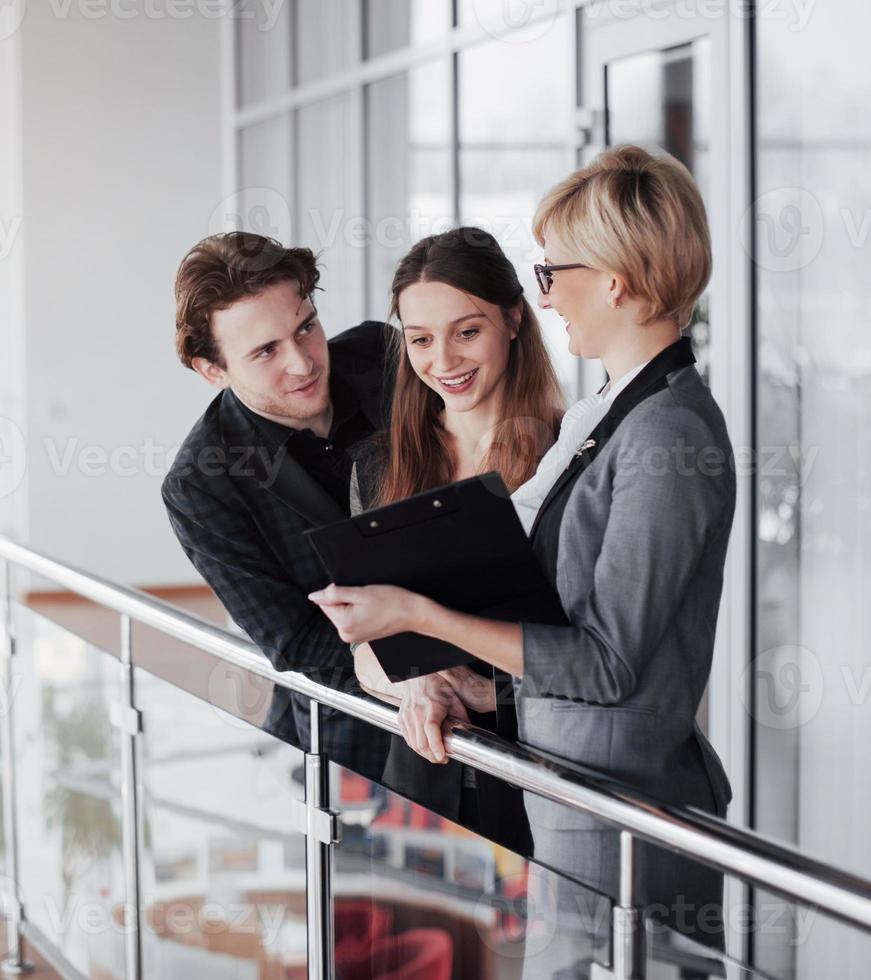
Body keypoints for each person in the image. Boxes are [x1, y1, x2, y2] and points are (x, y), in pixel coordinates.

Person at [310, 145, 735, 961]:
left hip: (618, 806)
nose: (547, 295)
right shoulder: (611, 412)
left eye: (555, 272)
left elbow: (607, 663)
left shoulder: (669, 435)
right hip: (572, 794)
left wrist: (420, 614)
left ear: (613, 279)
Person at [346, 226, 563, 857]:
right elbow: (360, 645)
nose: (443, 361)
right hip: (419, 781)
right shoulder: (378, 467)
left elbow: (589, 645)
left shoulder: (565, 457)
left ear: (514, 318)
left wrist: (484, 691)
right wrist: (415, 683)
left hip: (535, 778)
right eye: (420, 340)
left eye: (467, 332)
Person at [161, 231, 391, 780]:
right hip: (351, 742)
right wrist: (416, 673)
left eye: (306, 326)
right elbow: (297, 642)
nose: (303, 362)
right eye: (266, 351)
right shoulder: (199, 484)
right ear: (211, 371)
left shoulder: (388, 356)